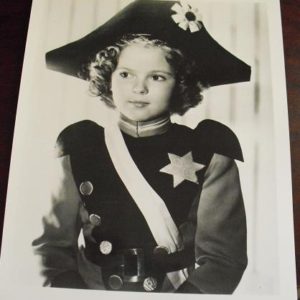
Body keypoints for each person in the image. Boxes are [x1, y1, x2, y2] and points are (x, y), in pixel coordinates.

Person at [32, 0, 251, 294]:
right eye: (125, 74)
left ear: (181, 83)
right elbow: (51, 250)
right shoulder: (79, 145)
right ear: (106, 77)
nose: (139, 88)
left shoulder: (209, 150)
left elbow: (224, 261)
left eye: (157, 77)